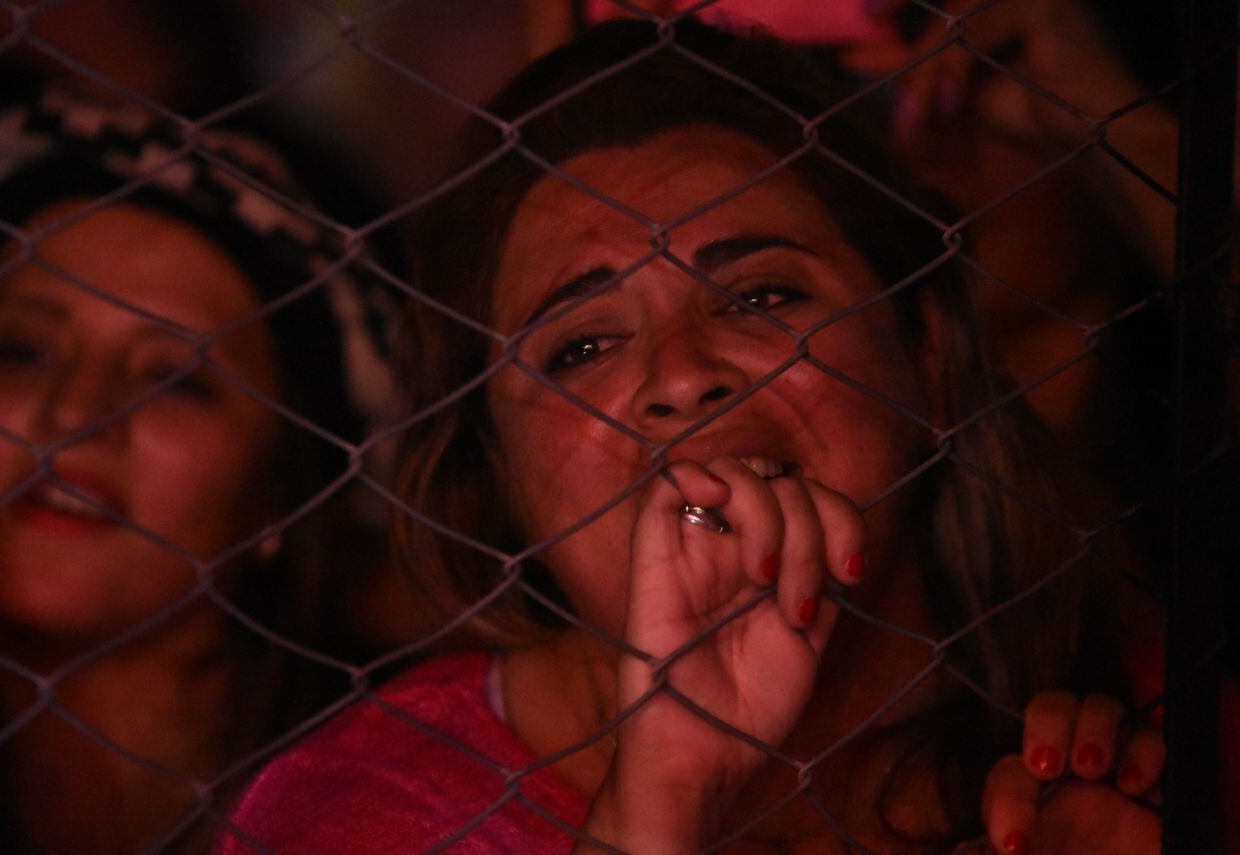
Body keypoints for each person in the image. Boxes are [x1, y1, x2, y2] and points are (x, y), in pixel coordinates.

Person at [221, 21, 1163, 854]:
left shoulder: (1148, 733)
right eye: (582, 346)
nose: (681, 374)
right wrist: (656, 810)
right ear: (493, 473)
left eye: (762, 296)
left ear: (930, 359)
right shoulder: (363, 810)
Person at [0, 85, 401, 852]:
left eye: (172, 378)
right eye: (23, 350)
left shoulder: (400, 801)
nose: (77, 413)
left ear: (282, 497)